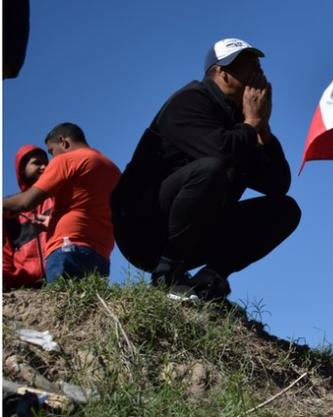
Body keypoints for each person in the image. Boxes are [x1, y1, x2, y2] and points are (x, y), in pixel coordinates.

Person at [111, 37, 300, 301]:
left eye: (260, 69)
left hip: (194, 231)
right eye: (247, 67)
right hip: (143, 231)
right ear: (220, 72)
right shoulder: (190, 101)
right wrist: (252, 123)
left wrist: (263, 130)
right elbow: (220, 152)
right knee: (211, 169)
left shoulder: (243, 122)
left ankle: (208, 281)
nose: (258, 76)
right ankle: (168, 274)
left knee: (285, 210)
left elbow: (278, 185)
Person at [2, 123, 120, 282]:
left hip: (67, 248)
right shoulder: (112, 168)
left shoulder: (66, 161)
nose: (51, 160)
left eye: (51, 152)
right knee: (88, 305)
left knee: (64, 304)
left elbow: (25, 203)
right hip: (101, 254)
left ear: (63, 142)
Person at [3, 145, 52, 290]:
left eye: (46, 163)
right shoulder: (8, 209)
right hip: (22, 286)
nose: (44, 166)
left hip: (58, 277)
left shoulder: (57, 198)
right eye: (37, 163)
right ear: (22, 169)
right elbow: (4, 250)